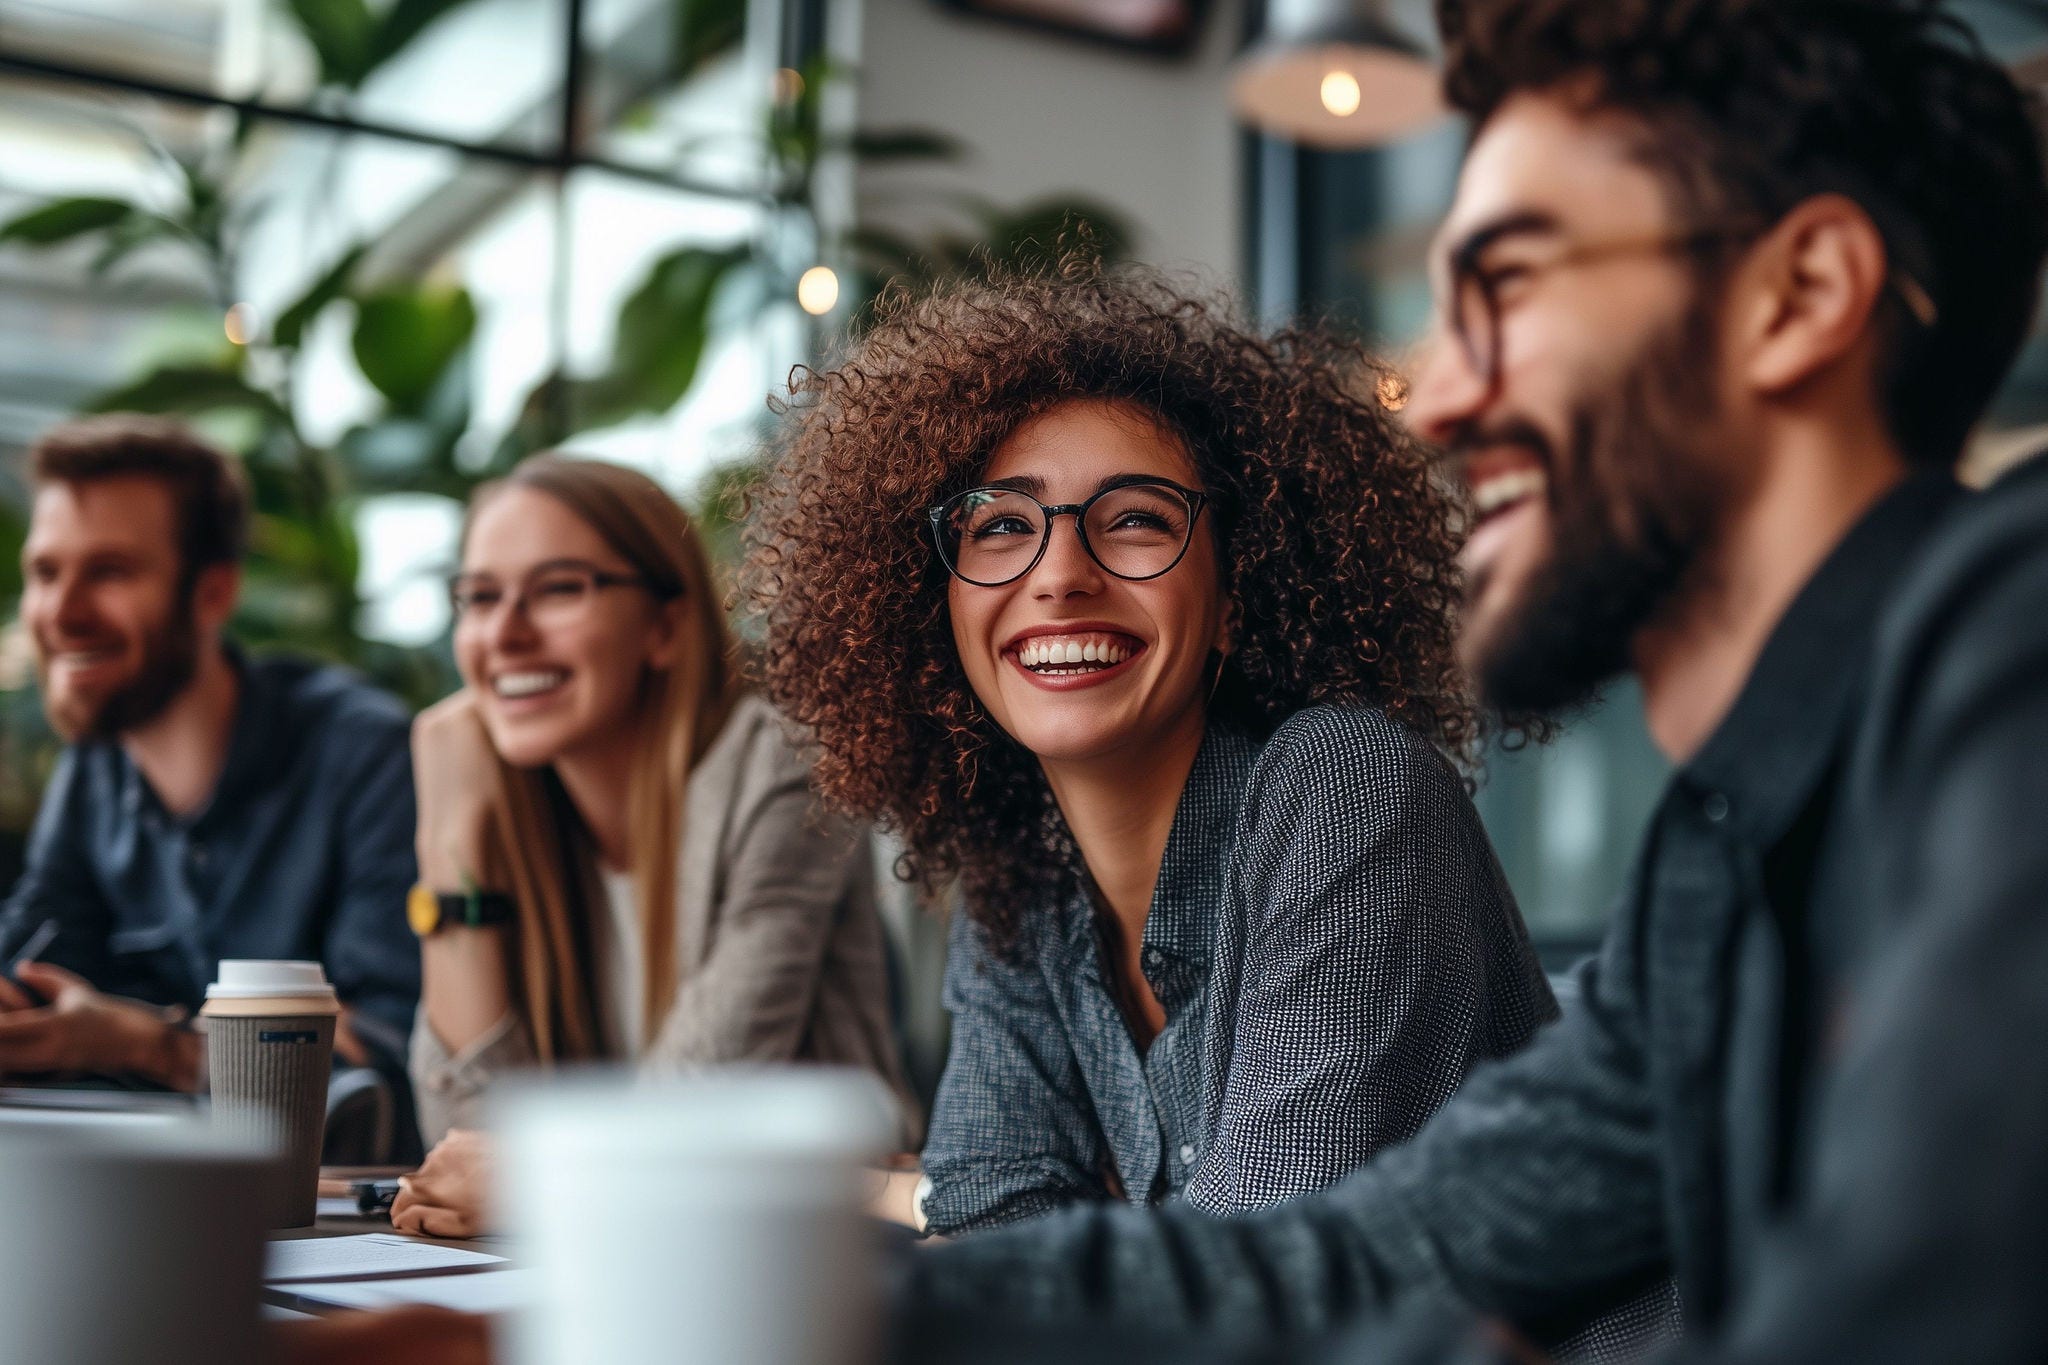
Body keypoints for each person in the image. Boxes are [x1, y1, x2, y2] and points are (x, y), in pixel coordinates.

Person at [890, 0, 2048, 1361]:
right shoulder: (1720, 857)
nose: (1435, 400)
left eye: (1508, 283)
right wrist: (822, 1291)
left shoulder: (2013, 645)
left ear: (1796, 297)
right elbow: (1373, 1252)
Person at [737, 263, 1555, 1238]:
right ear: (936, 604)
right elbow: (990, 1226)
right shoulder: (1022, 875)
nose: (1058, 576)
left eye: (1133, 520)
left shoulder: (1346, 788)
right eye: (1001, 525)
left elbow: (1239, 1285)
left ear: (1235, 595)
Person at [391, 454, 913, 1238]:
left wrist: (528, 1179)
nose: (504, 633)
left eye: (560, 588)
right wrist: (450, 838)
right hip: (609, 1259)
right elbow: (469, 1143)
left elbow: (690, 1104)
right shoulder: (510, 807)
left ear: (666, 627)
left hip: (812, 1259)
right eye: (480, 597)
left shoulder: (780, 767)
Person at [0, 415, 420, 1124]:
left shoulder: (365, 757)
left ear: (213, 593)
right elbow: (31, 974)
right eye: (45, 572)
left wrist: (157, 1048)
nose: (62, 612)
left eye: (109, 571)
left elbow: (386, 1065)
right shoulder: (95, 771)